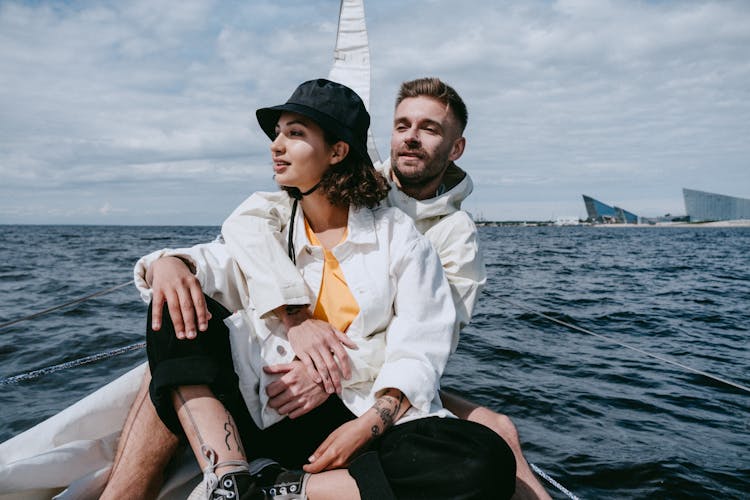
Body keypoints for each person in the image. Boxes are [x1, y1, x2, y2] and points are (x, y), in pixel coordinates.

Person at [102, 78, 548, 499]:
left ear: (337, 152)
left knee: (484, 456)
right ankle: (228, 477)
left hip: (354, 401)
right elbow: (232, 242)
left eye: (429, 129)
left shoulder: (417, 236)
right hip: (271, 394)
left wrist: (340, 385)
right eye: (403, 126)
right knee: (178, 301)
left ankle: (272, 490)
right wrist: (170, 263)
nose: (275, 146)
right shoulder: (273, 217)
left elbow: (426, 343)